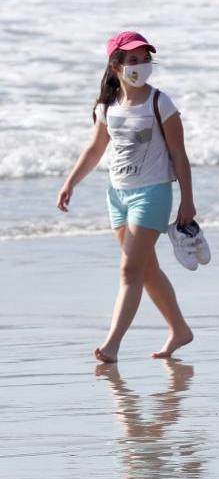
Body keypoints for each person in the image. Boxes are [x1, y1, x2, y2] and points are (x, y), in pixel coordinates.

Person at [57, 31, 197, 363]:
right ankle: (179, 329)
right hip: (117, 196)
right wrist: (70, 182)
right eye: (133, 60)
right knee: (146, 269)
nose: (141, 65)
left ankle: (112, 344)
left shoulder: (160, 103)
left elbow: (179, 155)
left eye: (145, 58)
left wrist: (187, 201)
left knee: (128, 271)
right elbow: (95, 149)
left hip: (152, 194)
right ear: (117, 65)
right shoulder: (108, 106)